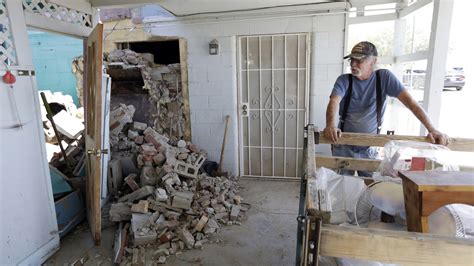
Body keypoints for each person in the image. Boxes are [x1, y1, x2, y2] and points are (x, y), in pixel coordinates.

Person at [323, 41, 450, 176]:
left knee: (369, 187)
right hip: (344, 144)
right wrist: (330, 125)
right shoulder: (344, 80)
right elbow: (334, 101)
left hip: (369, 147)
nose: (353, 64)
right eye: (352, 60)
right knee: (342, 185)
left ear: (373, 62)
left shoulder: (383, 78)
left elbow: (411, 103)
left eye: (359, 60)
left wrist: (432, 130)